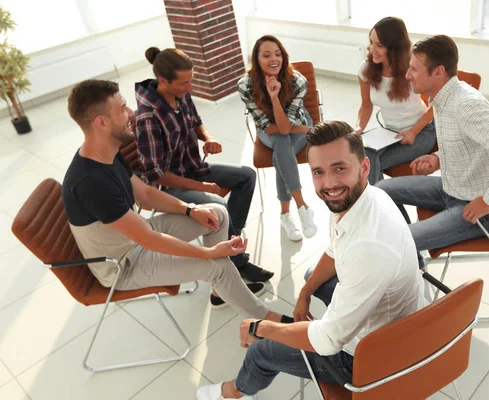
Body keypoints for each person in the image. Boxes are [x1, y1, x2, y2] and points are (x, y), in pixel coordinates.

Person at [196, 120, 424, 400]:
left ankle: (232, 393)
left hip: (372, 356)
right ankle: (305, 314)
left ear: (364, 167)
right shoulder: (364, 197)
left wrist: (260, 326)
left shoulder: (368, 247)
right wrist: (305, 293)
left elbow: (328, 341)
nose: (329, 184)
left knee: (260, 350)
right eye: (319, 172)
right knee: (311, 278)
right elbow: (334, 250)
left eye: (340, 168)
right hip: (394, 315)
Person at [62, 79, 291, 320]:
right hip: (124, 264)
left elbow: (147, 193)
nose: (132, 112)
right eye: (123, 108)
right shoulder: (92, 183)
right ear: (102, 123)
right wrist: (209, 253)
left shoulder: (106, 153)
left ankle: (220, 291)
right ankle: (271, 323)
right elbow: (148, 239)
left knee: (216, 214)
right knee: (219, 266)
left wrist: (191, 210)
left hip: (134, 237)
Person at [376, 35, 489, 269]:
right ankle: (412, 258)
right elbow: (470, 142)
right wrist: (437, 159)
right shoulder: (442, 98)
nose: (407, 75)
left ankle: (405, 251)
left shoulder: (464, 104)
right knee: (380, 191)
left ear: (438, 72)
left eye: (414, 70)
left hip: (479, 209)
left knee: (395, 240)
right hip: (453, 186)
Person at [134, 47, 274, 289]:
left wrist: (208, 137)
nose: (189, 88)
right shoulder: (147, 118)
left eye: (191, 81)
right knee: (217, 204)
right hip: (166, 187)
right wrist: (200, 186)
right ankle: (233, 263)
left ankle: (229, 244)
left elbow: (197, 124)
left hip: (192, 167)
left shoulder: (181, 94)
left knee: (247, 176)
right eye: (183, 83)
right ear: (163, 81)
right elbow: (157, 174)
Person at [237, 35, 318, 242]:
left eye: (277, 54)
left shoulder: (297, 81)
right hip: (269, 129)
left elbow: (284, 127)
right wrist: (273, 98)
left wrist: (277, 101)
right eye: (266, 55)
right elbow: (277, 128)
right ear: (257, 59)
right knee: (283, 142)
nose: (274, 59)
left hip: (293, 122)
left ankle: (285, 214)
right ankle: (302, 206)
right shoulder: (245, 85)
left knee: (282, 149)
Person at [356, 17, 436, 184]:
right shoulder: (366, 68)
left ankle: (381, 209)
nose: (371, 49)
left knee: (369, 166)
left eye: (379, 45)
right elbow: (366, 105)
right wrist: (358, 129)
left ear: (394, 48)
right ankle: (385, 209)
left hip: (421, 131)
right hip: (390, 133)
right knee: (367, 158)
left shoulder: (413, 69)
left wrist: (413, 132)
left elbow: (437, 105)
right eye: (371, 42)